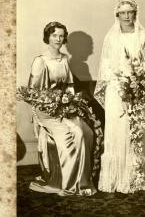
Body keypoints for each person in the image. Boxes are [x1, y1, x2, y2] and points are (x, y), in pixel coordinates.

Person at [94, 0, 145, 193]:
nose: (126, 16)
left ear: (135, 13)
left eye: (130, 12)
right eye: (122, 13)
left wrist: (140, 83)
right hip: (116, 90)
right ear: (117, 15)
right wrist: (118, 84)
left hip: (136, 89)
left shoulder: (143, 36)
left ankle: (136, 178)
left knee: (137, 130)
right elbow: (105, 66)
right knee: (117, 129)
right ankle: (114, 179)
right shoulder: (111, 37)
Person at [28, 21, 97, 196]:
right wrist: (43, 110)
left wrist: (70, 103)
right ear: (47, 37)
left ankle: (82, 183)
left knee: (85, 133)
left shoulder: (64, 59)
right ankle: (69, 184)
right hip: (46, 111)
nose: (58, 39)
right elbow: (32, 93)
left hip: (64, 107)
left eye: (61, 36)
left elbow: (69, 87)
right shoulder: (40, 61)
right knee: (70, 135)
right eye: (54, 35)